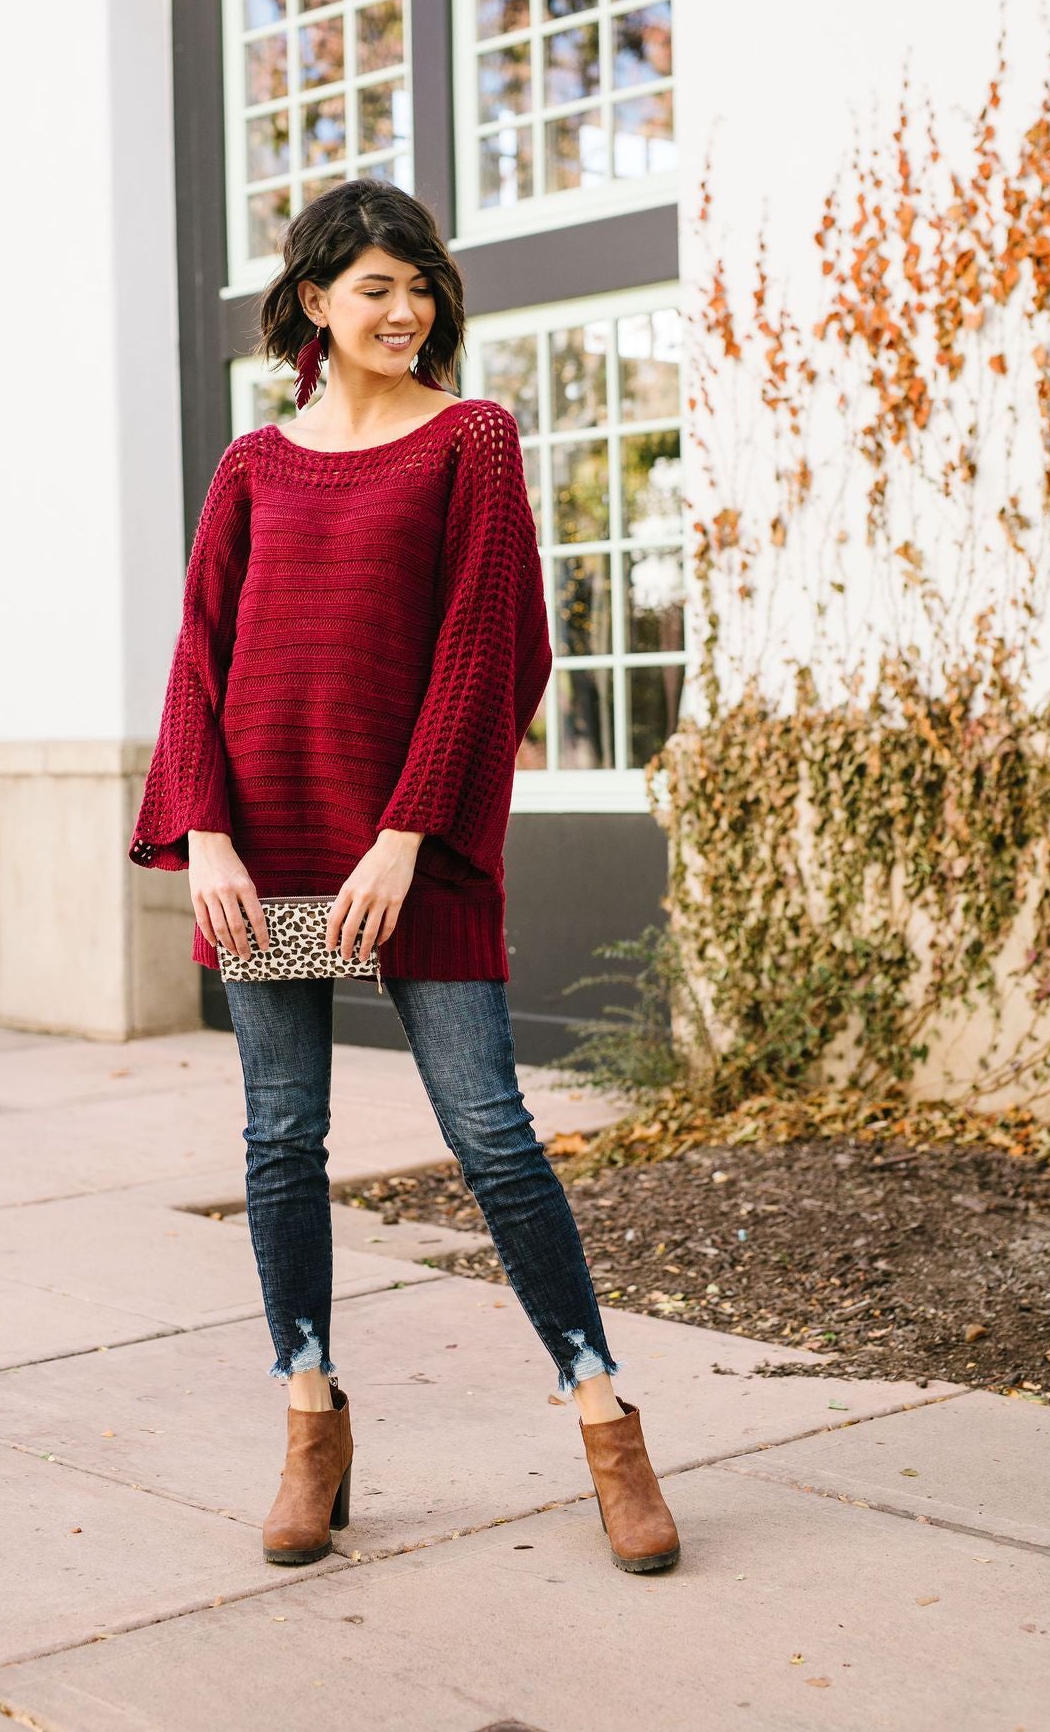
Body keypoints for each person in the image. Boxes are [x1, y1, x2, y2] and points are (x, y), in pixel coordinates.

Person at [128, 179, 680, 1576]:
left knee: (491, 1133)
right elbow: (200, 657)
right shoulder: (254, 464)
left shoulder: (471, 443)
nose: (405, 309)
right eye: (375, 286)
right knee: (280, 1141)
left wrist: (405, 835)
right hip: (262, 845)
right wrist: (203, 834)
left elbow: (489, 655)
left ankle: (605, 1419)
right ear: (313, 301)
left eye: (420, 284)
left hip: (408, 850)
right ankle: (311, 1421)